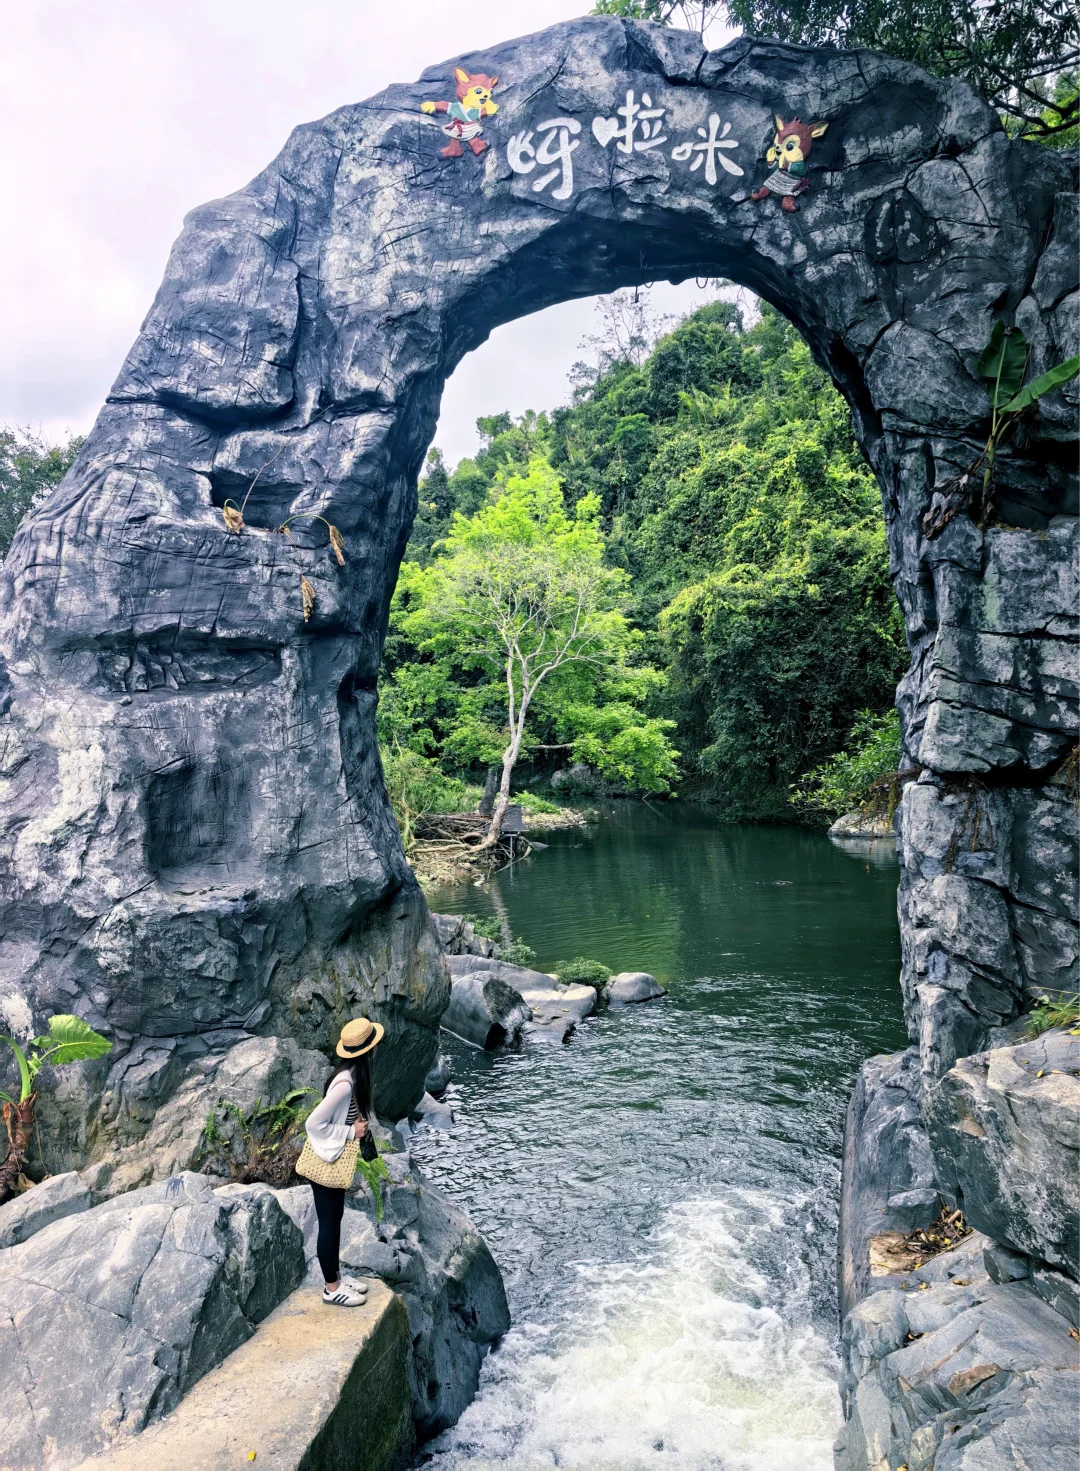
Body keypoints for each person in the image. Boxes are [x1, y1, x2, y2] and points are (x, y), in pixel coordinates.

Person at [303, 1015, 384, 1306]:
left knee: (334, 1220)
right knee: (328, 1223)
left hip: (330, 1158)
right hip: (324, 1162)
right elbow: (313, 1124)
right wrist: (352, 1131)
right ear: (368, 1051)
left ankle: (336, 1276)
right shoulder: (345, 1084)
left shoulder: (352, 1078)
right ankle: (331, 1288)